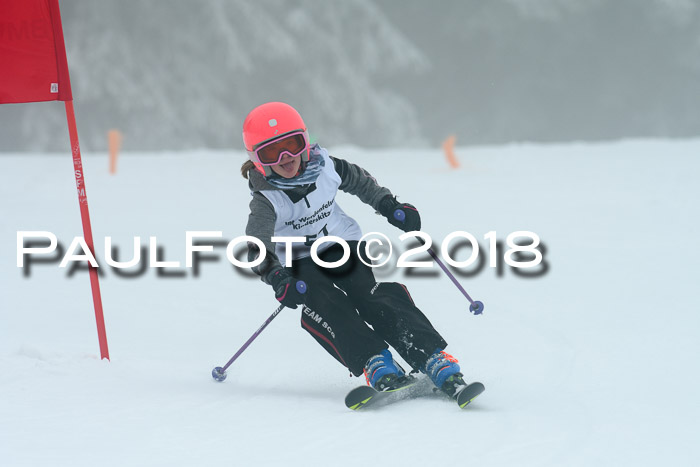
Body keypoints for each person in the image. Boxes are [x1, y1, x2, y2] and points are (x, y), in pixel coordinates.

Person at [240, 101, 467, 397]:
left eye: (293, 145)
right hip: (298, 260)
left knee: (370, 296)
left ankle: (430, 356)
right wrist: (277, 278)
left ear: (305, 142)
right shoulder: (266, 199)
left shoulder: (327, 167)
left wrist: (389, 205)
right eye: (272, 151)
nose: (286, 157)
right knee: (325, 300)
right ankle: (376, 362)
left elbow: (361, 182)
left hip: (343, 244)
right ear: (258, 159)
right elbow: (257, 246)